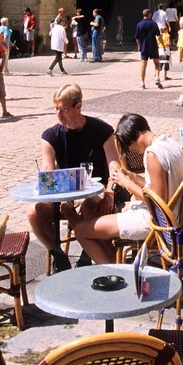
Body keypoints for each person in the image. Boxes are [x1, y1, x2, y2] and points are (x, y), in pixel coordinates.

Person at [72, 114, 183, 264]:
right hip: (175, 217)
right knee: (98, 218)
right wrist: (134, 177)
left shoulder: (153, 154)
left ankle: (115, 270)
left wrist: (126, 183)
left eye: (130, 146)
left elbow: (158, 202)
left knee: (81, 230)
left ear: (135, 135)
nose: (132, 150)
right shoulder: (170, 143)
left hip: (157, 222)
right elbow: (159, 185)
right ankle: (114, 263)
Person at [29, 84, 121, 271]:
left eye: (63, 109)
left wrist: (110, 193)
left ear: (78, 107)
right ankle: (58, 254)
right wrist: (57, 195)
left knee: (89, 205)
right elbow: (48, 171)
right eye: (56, 108)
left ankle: (88, 253)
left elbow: (115, 167)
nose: (58, 114)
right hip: (64, 194)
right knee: (33, 212)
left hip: (96, 191)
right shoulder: (50, 136)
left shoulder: (102, 130)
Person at [135, 8, 163, 87]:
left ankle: (142, 82)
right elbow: (159, 35)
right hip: (153, 45)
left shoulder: (139, 24)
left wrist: (139, 46)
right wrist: (161, 44)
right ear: (149, 15)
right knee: (157, 63)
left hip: (144, 47)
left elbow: (137, 38)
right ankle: (157, 77)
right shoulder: (153, 23)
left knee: (143, 65)